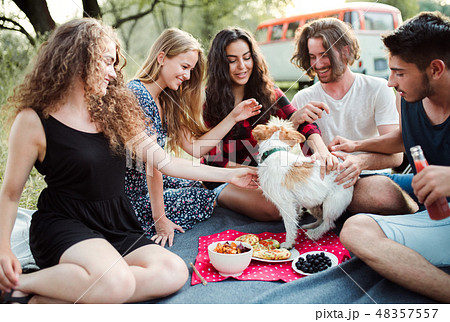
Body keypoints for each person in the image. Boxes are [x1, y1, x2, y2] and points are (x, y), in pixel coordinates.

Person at [0, 18, 257, 304]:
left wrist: (231, 176)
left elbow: (166, 163)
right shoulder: (33, 121)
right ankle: (19, 283)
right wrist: (3, 249)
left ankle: (47, 302)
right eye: (107, 62)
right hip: (64, 223)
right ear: (79, 58)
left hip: (116, 222)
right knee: (117, 280)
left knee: (173, 271)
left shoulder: (115, 112)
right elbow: (11, 194)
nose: (113, 73)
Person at [334, 11, 450, 302]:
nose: (389, 82)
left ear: (436, 69)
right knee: (355, 229)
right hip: (436, 216)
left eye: (399, 73)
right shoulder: (408, 97)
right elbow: (404, 137)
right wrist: (356, 145)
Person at [126, 28, 261, 247]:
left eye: (191, 69)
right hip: (135, 192)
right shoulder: (137, 95)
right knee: (203, 197)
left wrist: (233, 117)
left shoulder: (166, 99)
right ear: (161, 58)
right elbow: (154, 166)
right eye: (184, 67)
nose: (188, 76)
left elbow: (196, 149)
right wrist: (160, 219)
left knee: (199, 185)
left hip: (155, 176)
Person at [202, 27, 335, 221]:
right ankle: (212, 198)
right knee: (277, 208)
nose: (242, 66)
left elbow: (303, 123)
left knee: (308, 197)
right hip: (223, 177)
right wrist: (266, 172)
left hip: (263, 175)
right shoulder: (208, 100)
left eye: (247, 57)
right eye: (232, 61)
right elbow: (215, 160)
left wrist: (321, 151)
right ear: (220, 64)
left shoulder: (267, 91)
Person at [290, 18, 418, 215]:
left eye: (324, 55)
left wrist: (361, 162)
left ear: (346, 51)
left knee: (395, 190)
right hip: (329, 183)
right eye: (312, 56)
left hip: (372, 176)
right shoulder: (303, 99)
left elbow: (395, 156)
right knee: (383, 196)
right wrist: (293, 122)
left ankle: (333, 210)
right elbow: (286, 156)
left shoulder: (378, 88)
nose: (317, 64)